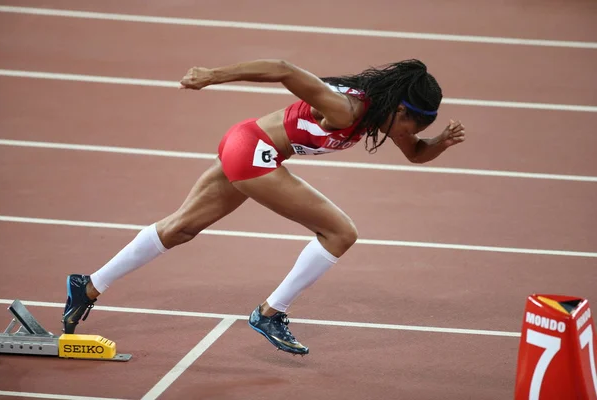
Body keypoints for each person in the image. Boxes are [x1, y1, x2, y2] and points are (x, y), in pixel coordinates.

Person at [62, 58, 466, 355]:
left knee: (182, 227)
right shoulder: (347, 109)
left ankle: (90, 284)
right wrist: (211, 76)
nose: (410, 135)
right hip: (254, 152)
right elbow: (283, 69)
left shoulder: (383, 116)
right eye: (413, 126)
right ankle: (271, 313)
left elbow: (415, 154)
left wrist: (439, 144)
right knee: (340, 232)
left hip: (246, 144)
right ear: (399, 110)